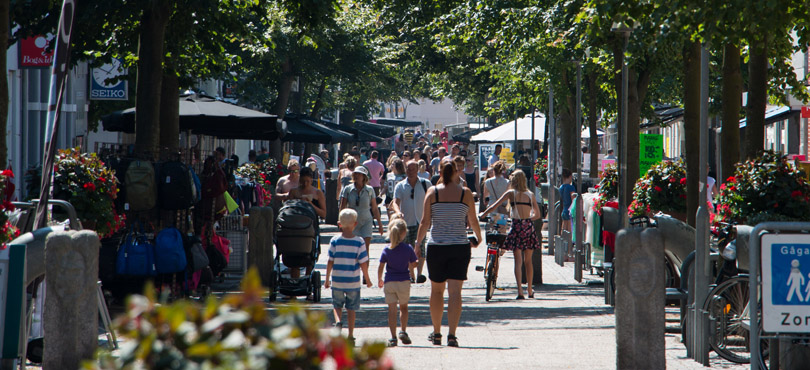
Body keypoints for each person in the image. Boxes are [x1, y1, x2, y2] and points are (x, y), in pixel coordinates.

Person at [415, 160, 482, 347]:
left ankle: (436, 333)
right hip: (459, 246)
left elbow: (424, 222)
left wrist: (417, 243)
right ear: (455, 172)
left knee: (436, 291)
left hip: (436, 246)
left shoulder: (432, 192)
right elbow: (473, 220)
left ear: (439, 172)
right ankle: (452, 335)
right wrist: (478, 237)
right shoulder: (465, 193)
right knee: (455, 293)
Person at [479, 170, 542, 299]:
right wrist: (529, 218)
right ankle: (529, 290)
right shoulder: (530, 195)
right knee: (528, 261)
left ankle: (519, 291)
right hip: (528, 226)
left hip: (517, 226)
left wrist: (483, 214)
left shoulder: (511, 193)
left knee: (518, 261)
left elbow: (494, 206)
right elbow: (538, 214)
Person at [325, 209, 374, 342]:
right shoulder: (359, 242)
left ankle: (338, 321)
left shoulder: (334, 241)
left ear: (339, 224)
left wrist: (327, 279)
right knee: (351, 309)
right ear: (355, 224)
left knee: (337, 305)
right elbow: (363, 262)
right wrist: (367, 279)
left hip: (337, 280)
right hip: (353, 281)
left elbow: (330, 260)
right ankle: (351, 335)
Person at [378, 218, 417, 347]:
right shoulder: (408, 248)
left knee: (392, 310)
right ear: (404, 232)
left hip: (390, 281)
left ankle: (393, 337)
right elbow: (413, 264)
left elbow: (381, 266)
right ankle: (403, 330)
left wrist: (380, 279)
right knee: (404, 307)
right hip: (404, 281)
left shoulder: (386, 249)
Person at [392, 160, 432, 283]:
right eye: (408, 169)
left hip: (421, 221)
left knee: (421, 248)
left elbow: (432, 201)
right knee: (407, 249)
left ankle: (419, 274)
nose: (410, 172)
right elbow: (394, 202)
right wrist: (398, 212)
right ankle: (411, 274)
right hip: (406, 222)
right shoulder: (400, 185)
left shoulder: (426, 184)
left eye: (413, 169)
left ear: (418, 169)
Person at [339, 165, 383, 257]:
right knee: (352, 248)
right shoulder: (348, 189)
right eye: (355, 174)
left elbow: (374, 208)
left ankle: (365, 270)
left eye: (359, 174)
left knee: (365, 248)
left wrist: (380, 224)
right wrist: (341, 221)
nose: (357, 176)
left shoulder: (369, 190)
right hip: (351, 222)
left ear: (364, 177)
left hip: (366, 221)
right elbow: (343, 206)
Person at [559, 168, 576, 234]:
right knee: (570, 231)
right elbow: (573, 200)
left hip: (564, 209)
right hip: (570, 211)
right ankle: (569, 244)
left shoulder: (561, 187)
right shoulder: (571, 187)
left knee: (563, 230)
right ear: (570, 176)